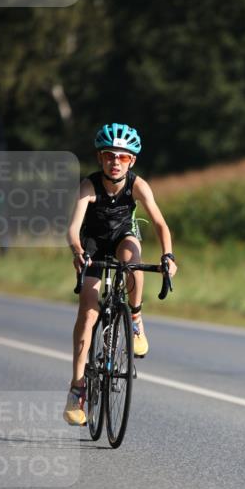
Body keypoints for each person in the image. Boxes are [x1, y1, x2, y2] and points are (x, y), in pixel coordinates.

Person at [63, 123, 177, 426]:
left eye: (123, 157)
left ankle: (135, 319)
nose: (116, 162)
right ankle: (77, 389)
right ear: (100, 158)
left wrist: (168, 256)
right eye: (109, 156)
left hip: (123, 234)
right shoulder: (88, 186)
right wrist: (78, 252)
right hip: (93, 244)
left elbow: (160, 224)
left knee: (134, 263)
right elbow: (73, 229)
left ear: (132, 161)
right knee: (88, 313)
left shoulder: (138, 185)